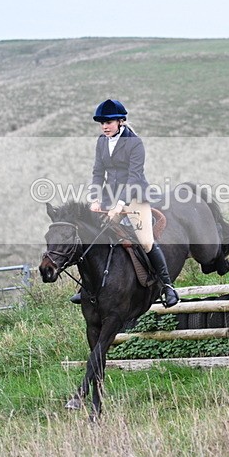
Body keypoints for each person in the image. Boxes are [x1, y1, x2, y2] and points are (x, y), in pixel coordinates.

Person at [71, 98, 179, 307]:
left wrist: (120, 204)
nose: (104, 126)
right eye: (102, 123)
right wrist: (95, 198)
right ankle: (86, 287)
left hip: (135, 196)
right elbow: (97, 172)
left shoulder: (135, 143)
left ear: (120, 121)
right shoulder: (101, 141)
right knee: (95, 236)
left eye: (108, 122)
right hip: (109, 197)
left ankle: (167, 286)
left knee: (145, 241)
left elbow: (134, 176)